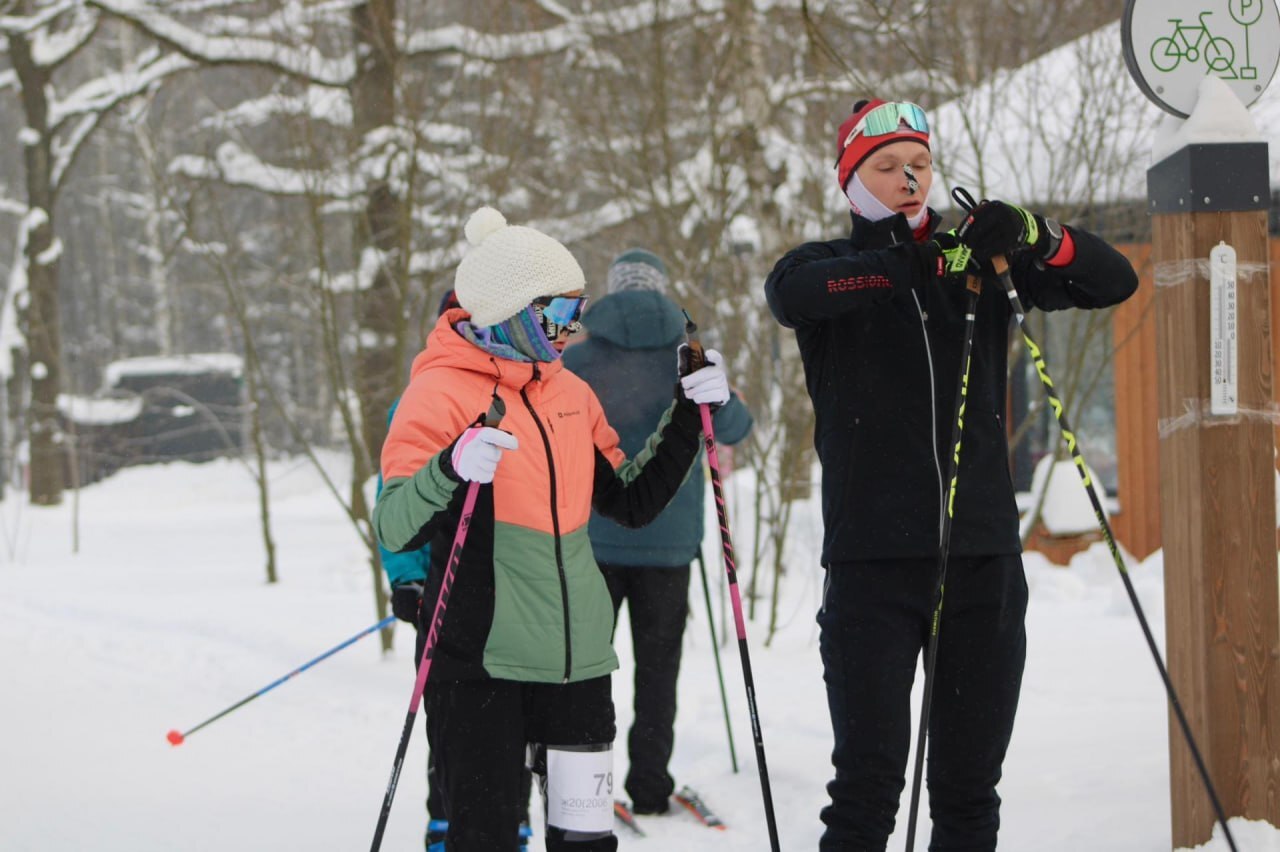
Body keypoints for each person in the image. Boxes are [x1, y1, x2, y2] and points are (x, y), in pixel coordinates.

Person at [762, 99, 1138, 850]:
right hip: (875, 563)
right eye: (887, 166)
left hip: (981, 559)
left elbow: (1113, 280)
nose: (909, 178)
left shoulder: (981, 264)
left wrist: (1037, 235)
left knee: (968, 792)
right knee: (867, 790)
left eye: (921, 165)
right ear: (851, 180)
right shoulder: (824, 267)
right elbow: (791, 296)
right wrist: (913, 264)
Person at [374, 206, 732, 852]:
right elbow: (395, 524)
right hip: (483, 666)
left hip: (579, 668)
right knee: (484, 839)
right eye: (560, 314)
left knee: (586, 842)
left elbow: (631, 502)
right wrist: (448, 467)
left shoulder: (570, 394)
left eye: (578, 310)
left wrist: (687, 412)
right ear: (511, 311)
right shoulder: (440, 394)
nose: (571, 332)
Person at [562, 249, 753, 815]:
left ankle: (583, 788)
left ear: (613, 291)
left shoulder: (578, 360)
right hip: (670, 540)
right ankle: (649, 787)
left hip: (594, 535)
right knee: (658, 669)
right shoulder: (687, 359)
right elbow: (736, 423)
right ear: (661, 291)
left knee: (587, 669)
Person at [380, 289, 535, 852]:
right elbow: (395, 497)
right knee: (452, 716)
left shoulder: (529, 390)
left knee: (512, 716)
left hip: (511, 594)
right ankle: (443, 816)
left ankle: (511, 813)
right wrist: (405, 578)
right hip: (441, 587)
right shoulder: (425, 395)